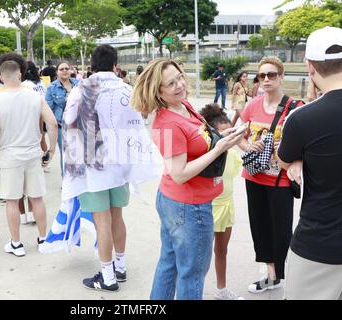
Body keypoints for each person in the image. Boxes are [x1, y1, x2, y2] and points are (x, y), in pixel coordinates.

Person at [131, 58, 244, 300]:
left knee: (169, 264)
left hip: (178, 203)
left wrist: (223, 136)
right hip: (188, 207)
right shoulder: (168, 122)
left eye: (179, 77)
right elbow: (179, 173)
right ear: (158, 92)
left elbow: (198, 139)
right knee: (191, 274)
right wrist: (219, 148)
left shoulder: (184, 106)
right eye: (170, 84)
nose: (179, 85)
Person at [62, 44, 156, 292]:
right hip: (120, 168)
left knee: (101, 222)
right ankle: (121, 267)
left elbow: (69, 125)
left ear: (92, 65)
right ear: (116, 65)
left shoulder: (80, 90)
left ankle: (107, 277)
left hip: (92, 168)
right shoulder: (126, 89)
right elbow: (137, 124)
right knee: (117, 218)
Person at [278, 26, 342, 300]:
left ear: (310, 67)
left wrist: (300, 158)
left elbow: (282, 161)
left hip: (321, 245)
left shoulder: (302, 118)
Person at [237, 56, 304, 294]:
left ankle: (288, 274)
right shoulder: (252, 105)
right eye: (262, 75)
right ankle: (271, 275)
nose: (266, 79)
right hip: (254, 175)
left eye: (271, 75)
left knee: (282, 229)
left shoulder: (295, 108)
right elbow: (239, 136)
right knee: (260, 227)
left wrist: (294, 161)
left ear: (281, 76)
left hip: (280, 180)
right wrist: (248, 147)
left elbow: (304, 143)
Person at [0, 54, 58, 257]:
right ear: (20, 73)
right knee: (37, 198)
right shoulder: (35, 96)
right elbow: (51, 123)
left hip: (9, 156)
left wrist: (0, 142)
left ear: (0, 76)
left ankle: (16, 243)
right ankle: (43, 239)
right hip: (33, 153)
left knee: (12, 200)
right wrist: (50, 150)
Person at [200, 103, 244, 300]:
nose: (231, 138)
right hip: (207, 208)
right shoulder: (205, 157)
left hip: (226, 206)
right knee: (198, 256)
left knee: (222, 251)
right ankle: (192, 291)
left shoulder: (234, 154)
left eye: (233, 133)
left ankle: (221, 289)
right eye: (226, 134)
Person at [20, 60, 49, 224]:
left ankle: (23, 216)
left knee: (19, 188)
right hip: (40, 117)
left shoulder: (24, 85)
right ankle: (44, 157)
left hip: (24, 128)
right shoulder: (40, 83)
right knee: (42, 137)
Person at [45, 61, 78, 177]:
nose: (65, 71)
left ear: (70, 70)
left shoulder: (78, 84)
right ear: (57, 72)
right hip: (61, 127)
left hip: (78, 125)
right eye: (61, 69)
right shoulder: (51, 88)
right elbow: (48, 110)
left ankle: (79, 181)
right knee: (65, 154)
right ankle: (66, 181)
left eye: (67, 68)